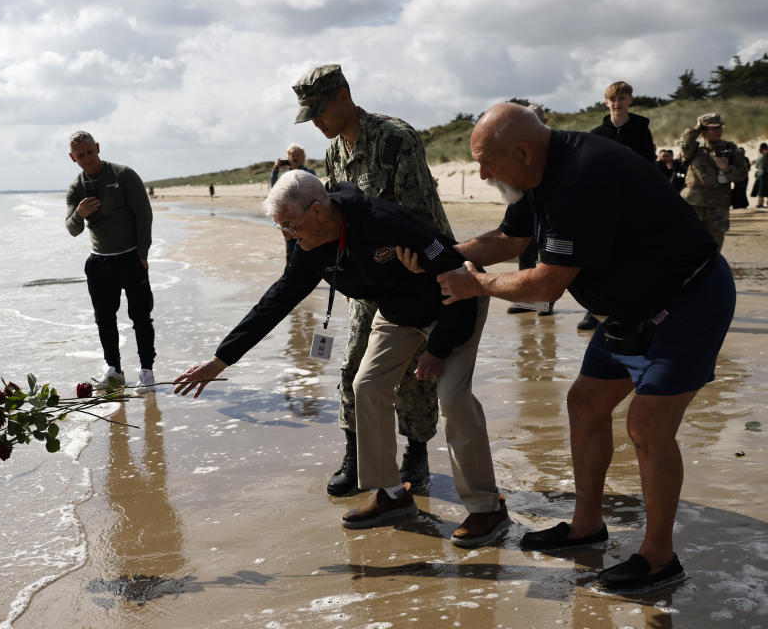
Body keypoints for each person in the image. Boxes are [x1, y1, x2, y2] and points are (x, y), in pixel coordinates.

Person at [406, 103, 733, 594]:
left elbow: (547, 285)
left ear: (521, 150)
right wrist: (444, 255)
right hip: (627, 312)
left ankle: (660, 558)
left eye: (487, 162)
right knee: (584, 404)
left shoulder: (582, 176)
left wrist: (478, 286)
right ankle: (586, 526)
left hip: (687, 301)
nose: (481, 172)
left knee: (646, 425)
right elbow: (512, 237)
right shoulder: (536, 170)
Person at [174, 170, 509, 545]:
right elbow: (277, 300)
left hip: (454, 303)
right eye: (280, 227)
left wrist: (438, 348)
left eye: (290, 225)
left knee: (454, 398)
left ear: (317, 211)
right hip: (399, 314)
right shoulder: (310, 247)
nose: (288, 235)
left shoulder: (385, 222)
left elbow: (456, 274)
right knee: (366, 385)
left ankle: (487, 509)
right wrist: (221, 360)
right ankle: (391, 495)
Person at [292, 63, 451, 496]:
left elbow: (418, 216)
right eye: (311, 117)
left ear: (344, 95)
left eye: (320, 111)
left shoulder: (394, 138)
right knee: (353, 369)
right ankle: (356, 455)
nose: (318, 123)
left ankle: (415, 454)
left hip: (416, 272)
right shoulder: (333, 153)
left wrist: (418, 269)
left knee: (416, 373)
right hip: (366, 273)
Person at [65, 131, 157, 394]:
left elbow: (144, 215)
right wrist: (80, 214)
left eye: (89, 152)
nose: (87, 159)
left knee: (140, 316)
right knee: (104, 319)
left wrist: (143, 253)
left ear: (97, 148)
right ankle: (114, 370)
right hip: (99, 263)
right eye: (80, 155)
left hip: (130, 257)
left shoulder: (123, 174)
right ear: (73, 158)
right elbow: (72, 229)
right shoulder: (76, 188)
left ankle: (147, 371)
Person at [577, 81, 656, 331]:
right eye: (614, 99)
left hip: (633, 202)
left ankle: (633, 308)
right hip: (602, 203)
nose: (618, 103)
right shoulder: (597, 134)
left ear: (631, 100)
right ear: (606, 102)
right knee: (599, 255)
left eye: (623, 98)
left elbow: (648, 168)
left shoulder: (642, 131)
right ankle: (595, 309)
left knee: (632, 256)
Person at [507, 103, 553, 317]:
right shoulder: (514, 145)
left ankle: (546, 301)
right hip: (522, 207)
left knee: (547, 257)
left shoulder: (552, 146)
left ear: (543, 123)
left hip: (546, 210)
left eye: (535, 119)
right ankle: (526, 300)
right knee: (525, 256)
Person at [680, 112, 749, 250]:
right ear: (704, 130)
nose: (719, 131)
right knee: (689, 244)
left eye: (720, 127)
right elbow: (685, 143)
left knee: (714, 247)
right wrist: (697, 127)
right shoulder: (694, 149)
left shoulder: (730, 148)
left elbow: (742, 174)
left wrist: (726, 168)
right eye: (714, 128)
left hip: (718, 206)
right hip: (694, 204)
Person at [270, 143, 318, 259]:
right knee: (291, 250)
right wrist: (275, 170)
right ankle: (291, 271)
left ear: (303, 158)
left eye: (298, 155)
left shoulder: (310, 172)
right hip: (290, 218)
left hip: (306, 216)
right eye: (293, 155)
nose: (295, 157)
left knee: (308, 248)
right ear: (288, 158)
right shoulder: (284, 175)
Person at [754, 142, 768, 208]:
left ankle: (760, 203)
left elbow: (756, 166)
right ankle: (760, 203)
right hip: (764, 174)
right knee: (762, 190)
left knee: (761, 189)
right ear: (764, 149)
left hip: (759, 174)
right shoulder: (764, 156)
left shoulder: (759, 156)